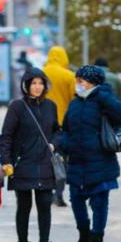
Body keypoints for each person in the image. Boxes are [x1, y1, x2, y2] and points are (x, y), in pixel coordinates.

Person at [59, 65, 121, 242]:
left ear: (93, 83)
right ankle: (83, 233)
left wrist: (101, 94)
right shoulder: (74, 104)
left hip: (100, 161)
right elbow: (65, 129)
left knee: (99, 203)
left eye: (82, 80)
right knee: (76, 201)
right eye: (77, 80)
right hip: (77, 161)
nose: (78, 84)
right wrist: (64, 143)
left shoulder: (104, 100)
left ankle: (97, 238)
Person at [0, 68, 61, 242]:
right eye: (33, 83)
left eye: (40, 83)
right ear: (26, 85)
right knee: (24, 206)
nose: (37, 87)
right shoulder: (17, 107)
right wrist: (6, 161)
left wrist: (53, 144)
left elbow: (58, 130)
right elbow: (7, 136)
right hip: (22, 163)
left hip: (44, 162)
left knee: (44, 204)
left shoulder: (51, 106)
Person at [42, 46, 76, 207]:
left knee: (45, 158)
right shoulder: (69, 76)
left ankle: (46, 191)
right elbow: (74, 100)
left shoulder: (41, 74)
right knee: (61, 159)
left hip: (43, 122)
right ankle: (59, 193)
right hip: (63, 123)